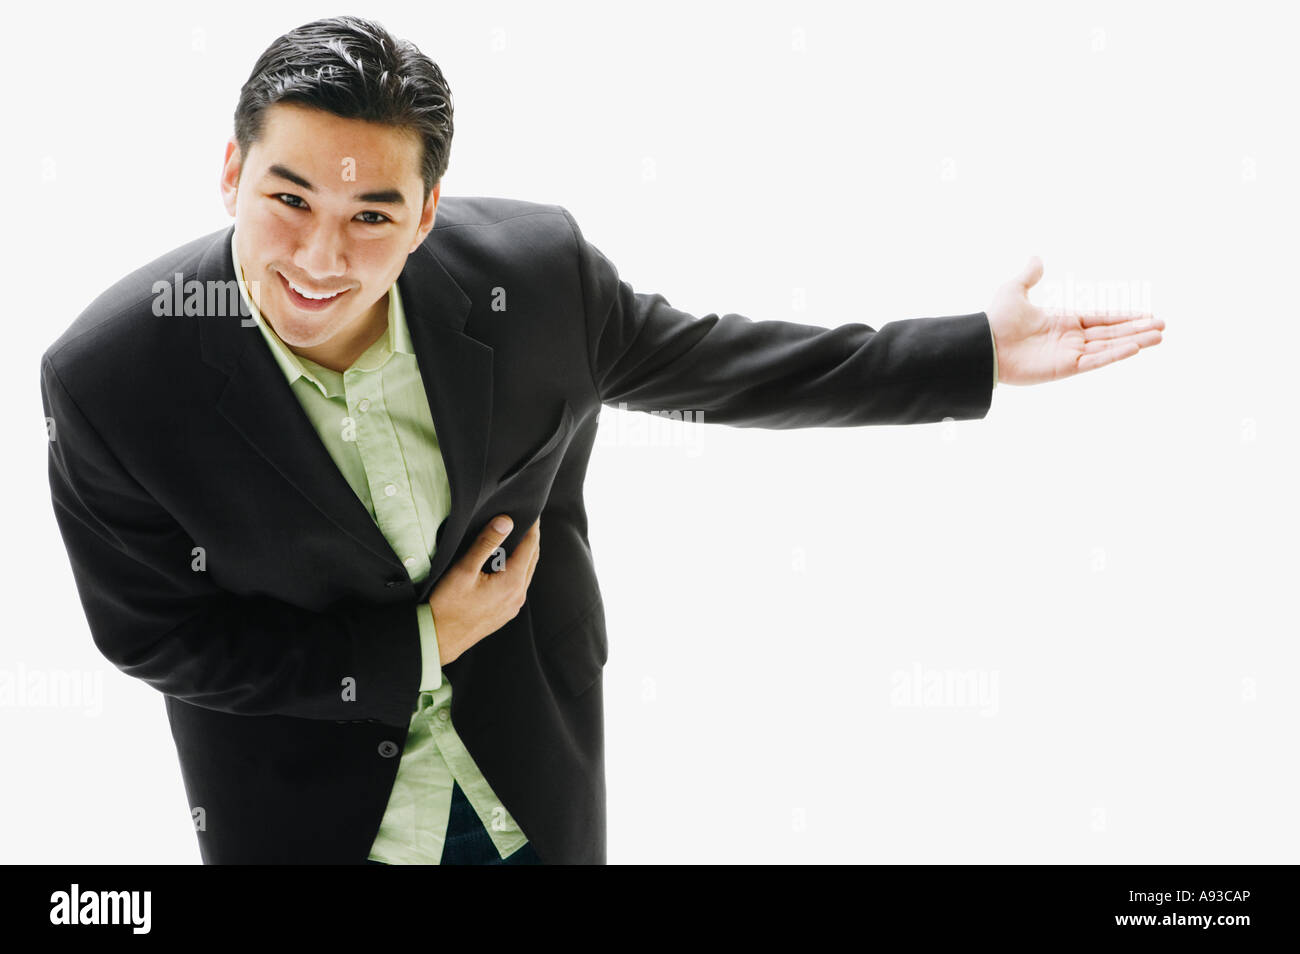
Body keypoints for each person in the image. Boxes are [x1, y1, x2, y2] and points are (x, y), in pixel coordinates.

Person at [39, 16, 1164, 865]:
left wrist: (974, 352)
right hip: (303, 812)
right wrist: (414, 648)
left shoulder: (530, 279)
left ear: (426, 214)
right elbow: (156, 637)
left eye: (371, 216)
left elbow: (724, 366)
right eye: (288, 200)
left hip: (525, 763)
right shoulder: (111, 380)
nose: (322, 258)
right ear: (231, 171)